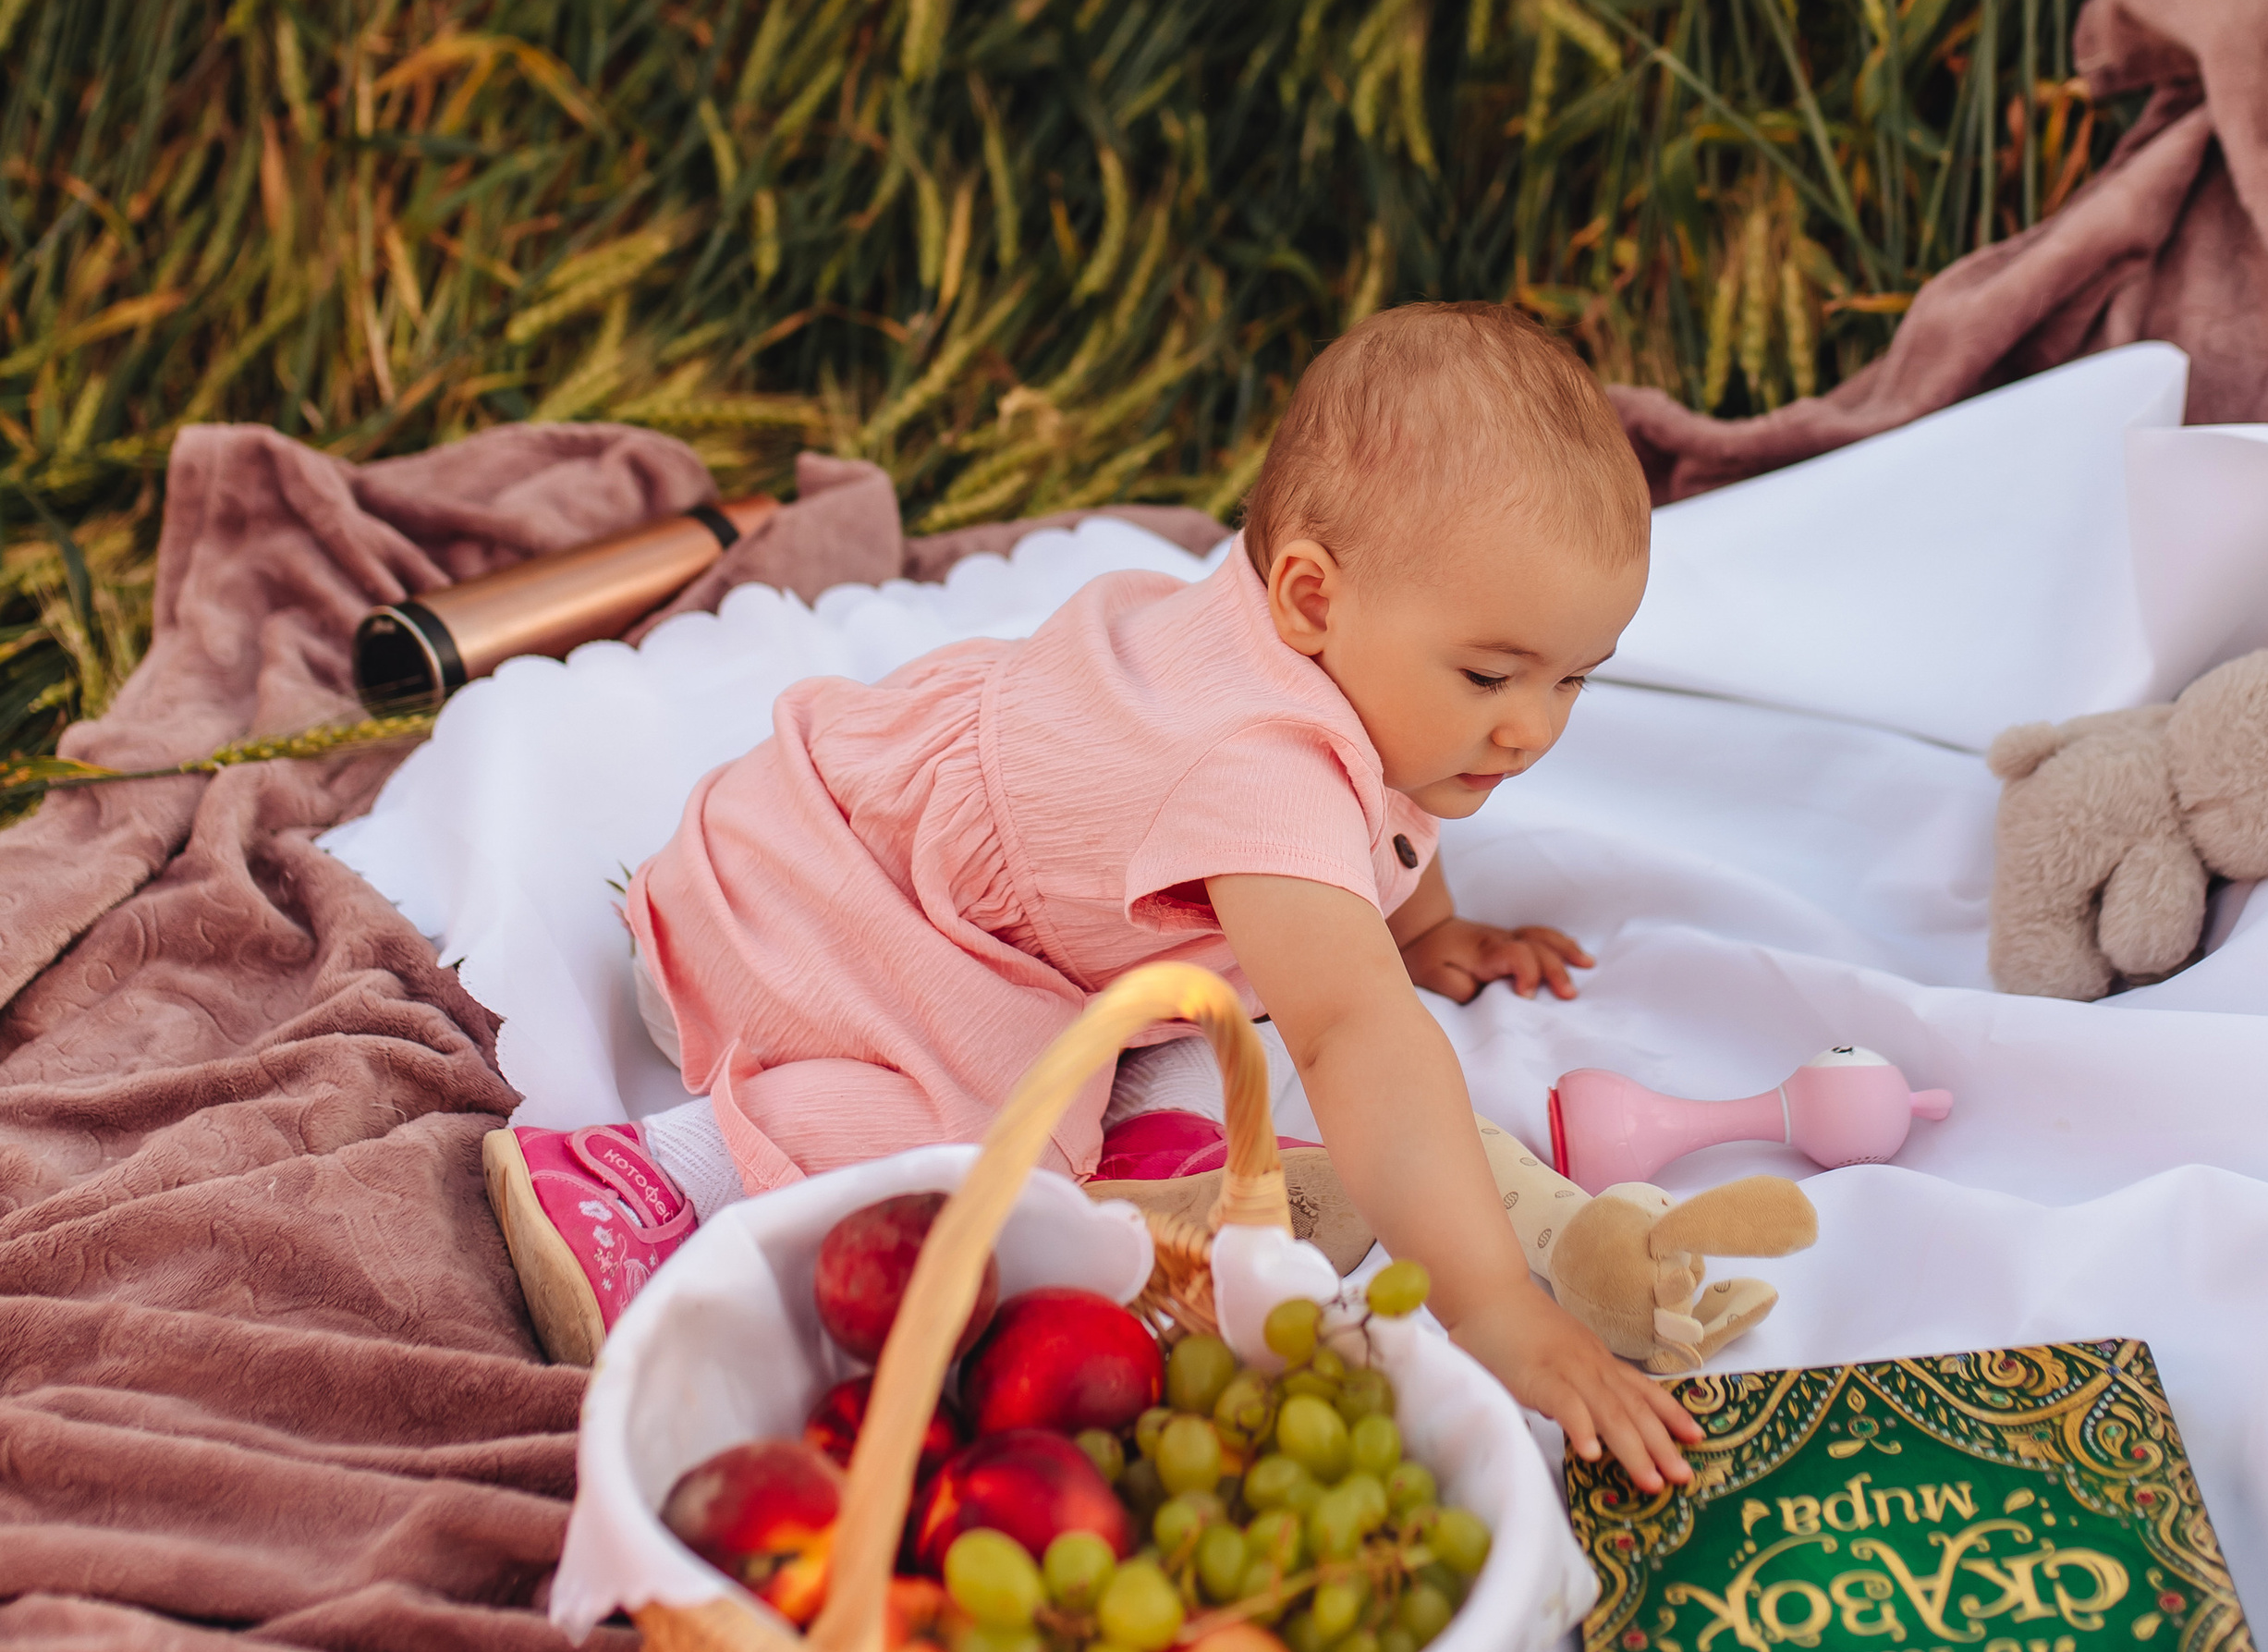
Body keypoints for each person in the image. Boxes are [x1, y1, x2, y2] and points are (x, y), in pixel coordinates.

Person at [486, 301, 1698, 1490]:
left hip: (969, 888)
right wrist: (1493, 1304)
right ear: (1312, 597)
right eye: (1492, 674)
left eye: (1573, 681)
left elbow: (1390, 809)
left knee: (1194, 1016)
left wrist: (1427, 930)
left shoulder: (1349, 658)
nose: (1531, 729)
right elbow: (1352, 1031)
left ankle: (1157, 1154)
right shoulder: (1257, 769)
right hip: (825, 914)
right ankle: (644, 1177)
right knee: (978, 1174)